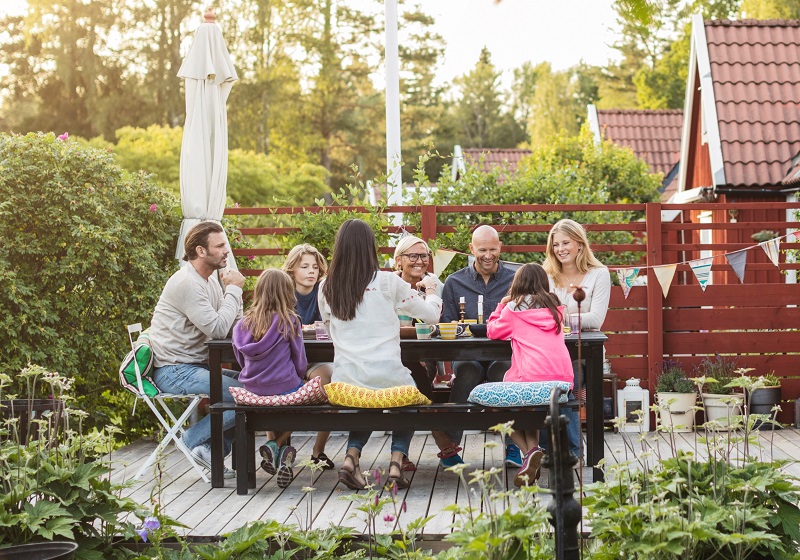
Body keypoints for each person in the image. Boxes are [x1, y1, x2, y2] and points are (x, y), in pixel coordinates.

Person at [319, 219, 442, 490]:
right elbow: (432, 315)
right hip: (388, 377)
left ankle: (351, 458)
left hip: (345, 382)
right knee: (412, 394)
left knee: (367, 398)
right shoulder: (387, 282)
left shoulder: (326, 286)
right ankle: (396, 463)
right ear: (370, 249)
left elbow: (331, 333)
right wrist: (432, 292)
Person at [150, 221, 244, 479]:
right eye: (221, 245)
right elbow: (217, 329)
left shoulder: (211, 280)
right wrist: (234, 290)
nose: (227, 250)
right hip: (173, 370)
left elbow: (232, 326)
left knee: (257, 386)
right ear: (201, 251)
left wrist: (234, 296)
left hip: (197, 366)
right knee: (246, 395)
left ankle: (208, 449)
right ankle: (192, 440)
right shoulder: (187, 283)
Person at [232, 268, 324, 488]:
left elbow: (239, 358)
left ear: (259, 291)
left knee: (269, 404)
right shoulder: (290, 320)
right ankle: (279, 445)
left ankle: (274, 444)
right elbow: (300, 360)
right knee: (312, 403)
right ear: (286, 293)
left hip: (253, 389)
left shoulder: (243, 323)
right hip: (285, 386)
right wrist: (298, 376)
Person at [440, 225, 521, 467]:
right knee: (467, 371)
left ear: (500, 248)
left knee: (504, 373)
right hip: (467, 353)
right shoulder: (454, 282)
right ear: (471, 249)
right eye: (482, 249)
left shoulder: (514, 280)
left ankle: (514, 446)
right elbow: (447, 325)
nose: (488, 255)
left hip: (504, 352)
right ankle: (451, 449)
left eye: (493, 249)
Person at [486, 263, 574, 486]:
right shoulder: (556, 310)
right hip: (562, 380)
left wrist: (500, 305)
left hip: (532, 378)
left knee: (495, 406)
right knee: (528, 405)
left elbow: (492, 330)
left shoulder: (514, 310)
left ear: (517, 285)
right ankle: (531, 456)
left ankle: (529, 452)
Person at [542, 218, 611, 459]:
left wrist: (559, 315)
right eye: (556, 244)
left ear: (580, 244)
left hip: (583, 353)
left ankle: (572, 451)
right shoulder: (546, 275)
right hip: (550, 351)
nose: (560, 249)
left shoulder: (599, 275)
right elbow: (540, 315)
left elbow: (596, 319)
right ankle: (545, 449)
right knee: (540, 382)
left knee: (564, 380)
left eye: (566, 243)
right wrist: (570, 316)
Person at [393, 236, 463, 468]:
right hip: (392, 355)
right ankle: (440, 438)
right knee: (414, 379)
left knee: (417, 376)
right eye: (413, 255)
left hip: (427, 355)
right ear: (398, 260)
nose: (419, 261)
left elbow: (442, 325)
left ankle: (400, 455)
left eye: (424, 256)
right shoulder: (389, 286)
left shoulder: (436, 286)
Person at [282, 244, 334, 469]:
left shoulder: (324, 291)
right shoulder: (282, 292)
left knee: (330, 383)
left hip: (315, 356)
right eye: (304, 266)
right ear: (292, 269)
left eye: (314, 267)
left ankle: (318, 451)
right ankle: (279, 451)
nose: (311, 271)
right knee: (276, 388)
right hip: (285, 358)